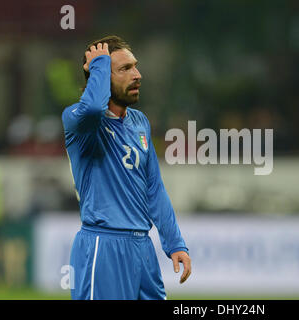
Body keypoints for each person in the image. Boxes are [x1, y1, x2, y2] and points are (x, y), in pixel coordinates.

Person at [62, 35, 191, 300]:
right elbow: (94, 109)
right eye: (125, 69)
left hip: (142, 248)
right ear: (99, 76)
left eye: (135, 66)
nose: (137, 74)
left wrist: (174, 242)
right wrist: (98, 66)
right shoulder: (80, 122)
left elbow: (154, 188)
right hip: (103, 245)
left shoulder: (139, 122)